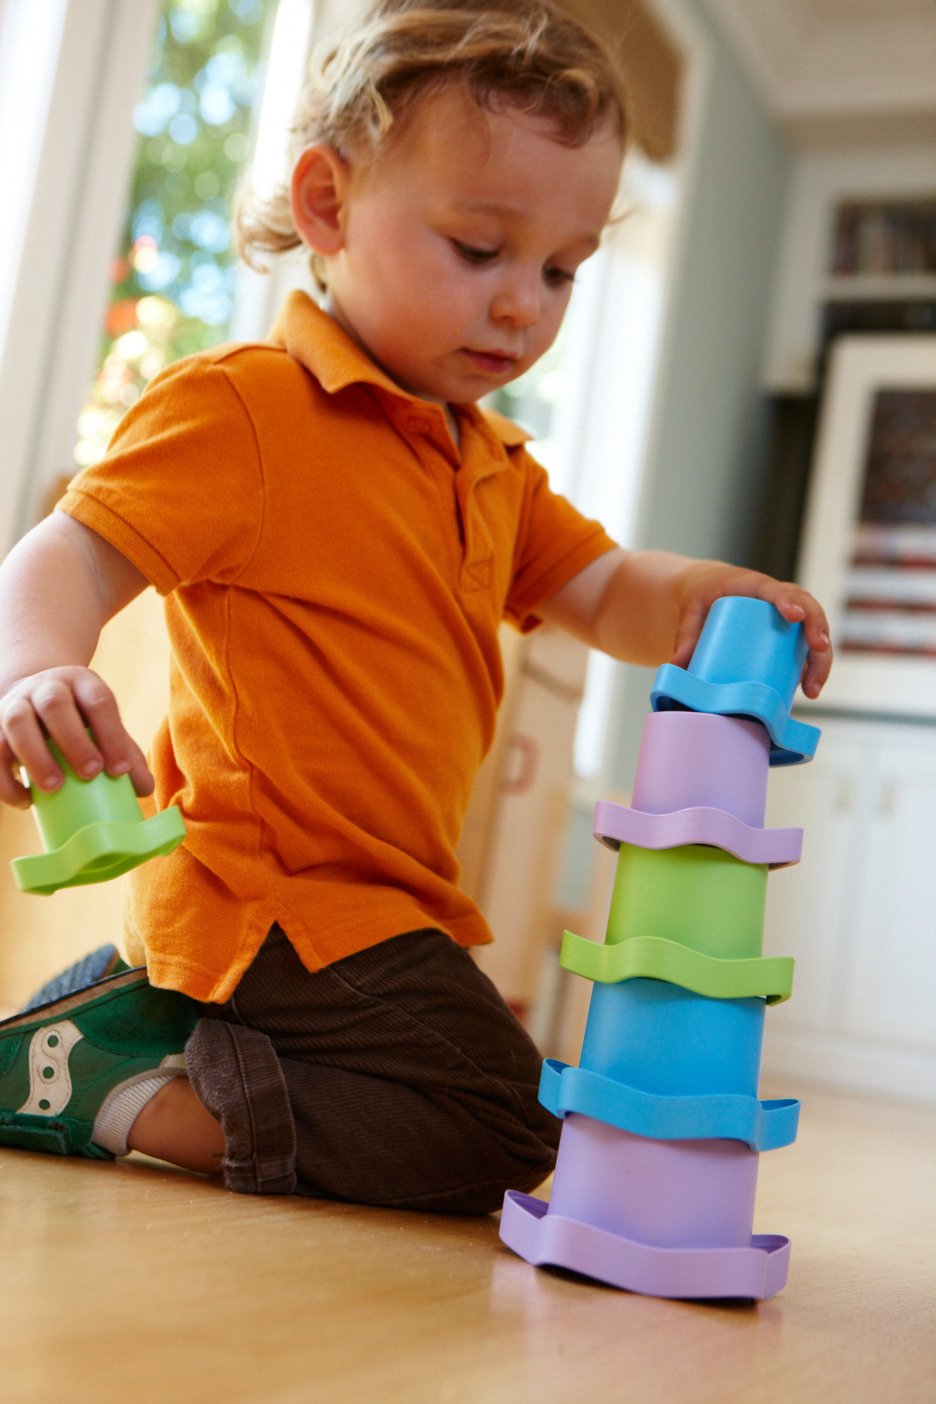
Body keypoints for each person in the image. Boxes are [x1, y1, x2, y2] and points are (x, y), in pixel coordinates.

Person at [0, 0, 831, 1210]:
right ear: (328, 206)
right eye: (479, 249)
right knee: (519, 1127)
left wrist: (715, 594)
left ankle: (125, 1029)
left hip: (384, 907)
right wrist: (35, 668)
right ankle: (121, 1094)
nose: (522, 306)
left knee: (507, 1091)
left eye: (560, 271)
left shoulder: (490, 463)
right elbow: (65, 552)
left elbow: (603, 592)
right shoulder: (248, 409)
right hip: (279, 893)